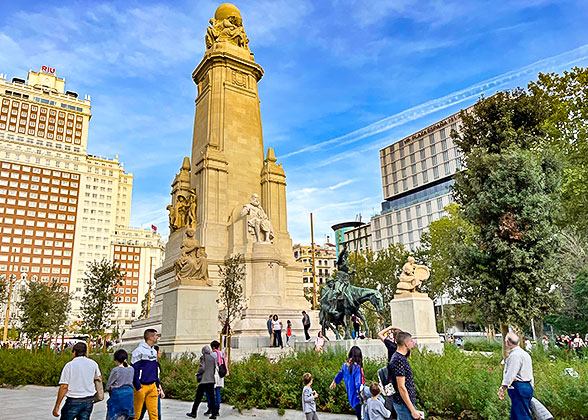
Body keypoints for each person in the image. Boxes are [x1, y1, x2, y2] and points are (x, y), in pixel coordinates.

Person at [52, 342, 102, 420]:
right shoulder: (93, 364)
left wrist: (57, 405)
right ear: (86, 352)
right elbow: (99, 378)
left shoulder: (70, 365)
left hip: (74, 400)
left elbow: (64, 386)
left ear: (74, 352)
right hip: (88, 400)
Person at [498, 332, 534, 420]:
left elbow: (511, 373)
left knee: (522, 415)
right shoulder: (525, 354)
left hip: (518, 386)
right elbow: (530, 371)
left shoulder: (514, 356)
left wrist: (503, 387)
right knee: (516, 414)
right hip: (527, 385)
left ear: (507, 343)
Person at [389, 331, 422, 420]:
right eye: (411, 341)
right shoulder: (399, 360)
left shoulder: (398, 357)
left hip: (403, 403)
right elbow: (401, 387)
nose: (412, 343)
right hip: (403, 404)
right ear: (406, 343)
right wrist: (413, 410)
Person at [330, 345, 365, 420]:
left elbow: (340, 374)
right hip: (358, 397)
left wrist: (334, 381)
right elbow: (358, 384)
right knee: (361, 415)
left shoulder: (345, 366)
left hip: (351, 395)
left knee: (358, 414)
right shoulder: (357, 368)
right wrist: (365, 391)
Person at [132, 329, 160, 420]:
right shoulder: (138, 351)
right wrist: (138, 387)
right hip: (141, 386)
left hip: (152, 386)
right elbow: (134, 370)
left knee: (154, 414)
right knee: (136, 414)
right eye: (156, 335)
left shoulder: (154, 351)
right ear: (150, 337)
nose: (157, 337)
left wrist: (157, 385)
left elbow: (155, 369)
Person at [186, 345, 217, 419]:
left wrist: (198, 373)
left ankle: (193, 412)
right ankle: (214, 414)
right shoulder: (212, 358)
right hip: (211, 380)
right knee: (212, 398)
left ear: (203, 351)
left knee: (198, 397)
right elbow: (214, 368)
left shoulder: (203, 357)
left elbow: (202, 368)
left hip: (204, 380)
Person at [106, 349, 135, 420]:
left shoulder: (116, 370)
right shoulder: (132, 369)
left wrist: (110, 388)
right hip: (129, 396)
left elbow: (108, 385)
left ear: (116, 360)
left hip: (118, 397)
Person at [138, 345, 164, 420]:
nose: (160, 352)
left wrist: (160, 389)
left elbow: (156, 378)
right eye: (159, 351)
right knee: (141, 412)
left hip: (154, 389)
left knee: (155, 413)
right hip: (147, 389)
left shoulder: (156, 364)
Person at [205, 340, 228, 416]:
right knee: (218, 393)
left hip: (213, 375)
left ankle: (210, 408)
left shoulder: (212, 355)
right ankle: (217, 409)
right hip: (221, 375)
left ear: (213, 347)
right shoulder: (222, 354)